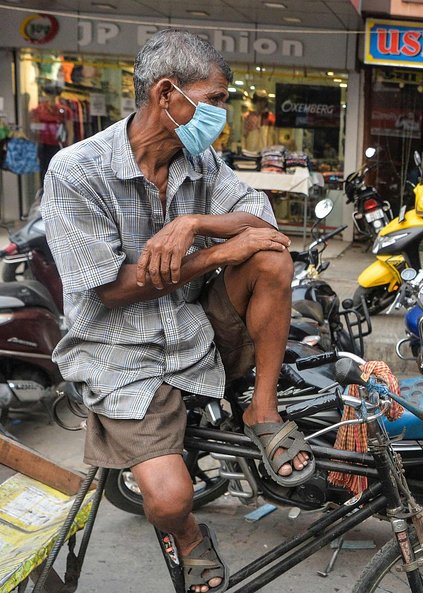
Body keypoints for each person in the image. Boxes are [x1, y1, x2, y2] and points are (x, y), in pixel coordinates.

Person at [41, 30, 311, 593]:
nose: (223, 114)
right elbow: (108, 290)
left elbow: (264, 225)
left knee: (269, 258)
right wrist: (214, 254)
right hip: (119, 354)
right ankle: (188, 536)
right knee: (167, 500)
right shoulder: (77, 171)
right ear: (168, 94)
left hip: (193, 332)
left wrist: (193, 225)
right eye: (214, 99)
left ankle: (262, 410)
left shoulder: (201, 160)